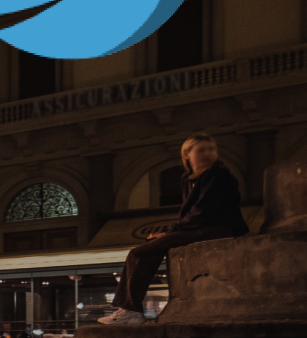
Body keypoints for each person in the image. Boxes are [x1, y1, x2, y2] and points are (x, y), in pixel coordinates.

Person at [100, 133, 248, 324]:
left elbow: (203, 211)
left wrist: (171, 232)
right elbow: (191, 213)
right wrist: (171, 233)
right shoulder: (189, 178)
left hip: (218, 228)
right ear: (187, 154)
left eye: (210, 149)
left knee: (138, 253)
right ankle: (129, 309)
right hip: (202, 226)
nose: (207, 153)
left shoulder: (218, 174)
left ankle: (131, 310)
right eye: (201, 150)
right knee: (147, 249)